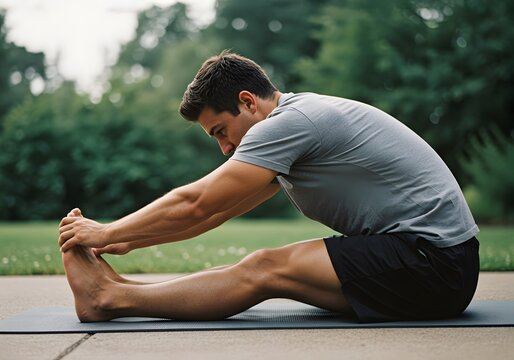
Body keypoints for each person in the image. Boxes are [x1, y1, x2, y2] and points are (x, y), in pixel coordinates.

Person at [58, 51, 479, 323]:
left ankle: (108, 299)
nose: (225, 148)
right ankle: (124, 292)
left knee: (265, 268)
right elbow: (220, 211)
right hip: (435, 263)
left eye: (222, 131)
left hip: (434, 263)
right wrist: (133, 241)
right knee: (255, 268)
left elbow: (198, 202)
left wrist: (110, 231)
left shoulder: (288, 124)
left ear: (247, 101)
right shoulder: (297, 122)